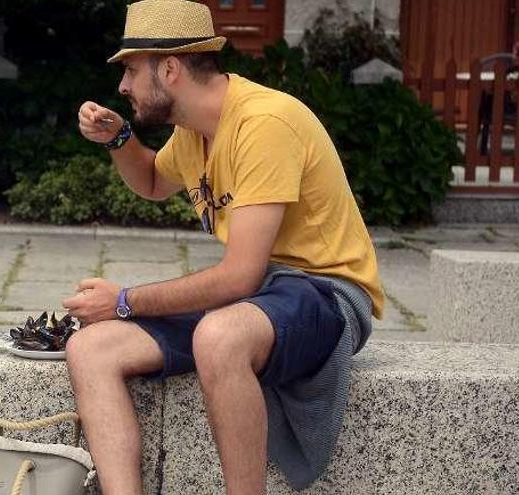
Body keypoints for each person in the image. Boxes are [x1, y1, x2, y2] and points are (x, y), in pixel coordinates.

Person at [62, 1, 383, 494]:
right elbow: (151, 179)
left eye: (130, 69)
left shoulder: (263, 123)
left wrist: (124, 301)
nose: (123, 86)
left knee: (219, 336)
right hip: (259, 297)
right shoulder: (194, 131)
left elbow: (239, 277)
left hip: (324, 290)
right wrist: (119, 137)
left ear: (169, 69)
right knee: (90, 348)